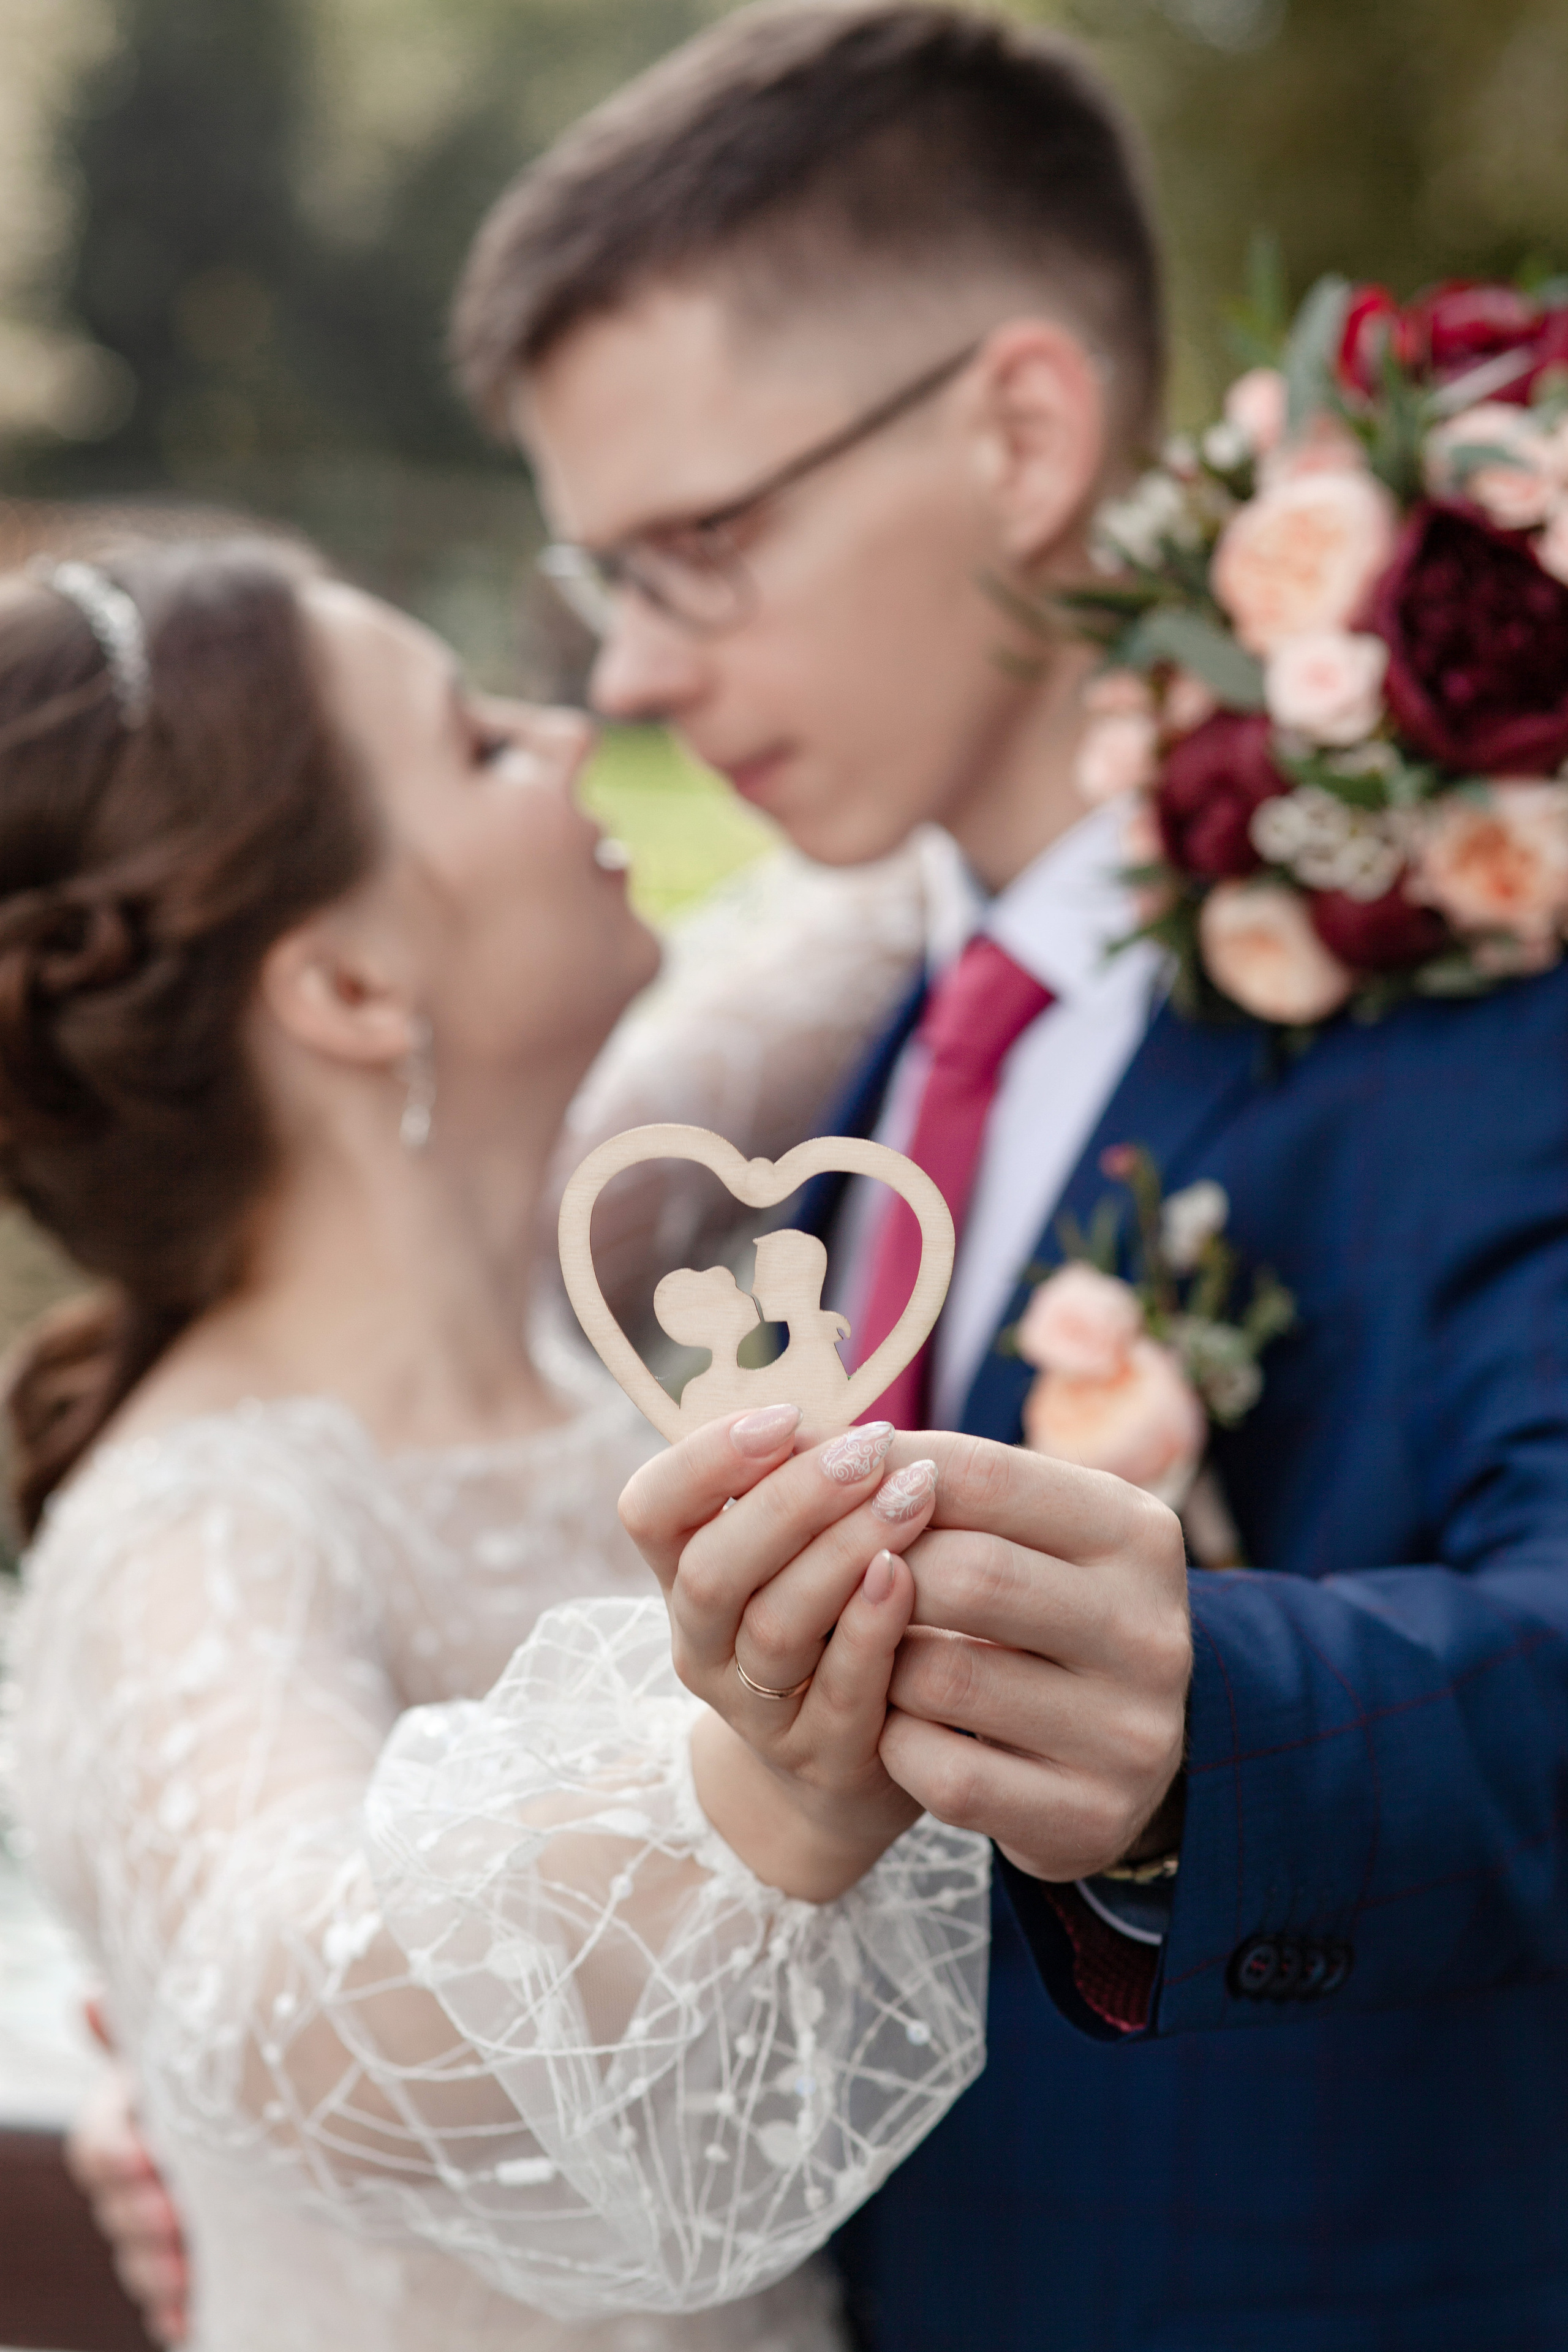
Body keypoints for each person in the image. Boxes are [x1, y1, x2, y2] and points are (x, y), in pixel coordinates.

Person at [78, 4, 1568, 2343]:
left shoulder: (1483, 986)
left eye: (699, 548)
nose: (638, 682)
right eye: (604, 586)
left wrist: (1211, 1726)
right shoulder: (834, 1068)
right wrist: (246, 2122)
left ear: (1020, 429)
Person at [0, 535, 996, 2352]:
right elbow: (270, 1989)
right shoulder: (199, 1520)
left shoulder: (588, 1274)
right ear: (355, 993)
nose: (565, 729)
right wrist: (746, 1797)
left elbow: (890, 913)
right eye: (473, 744)